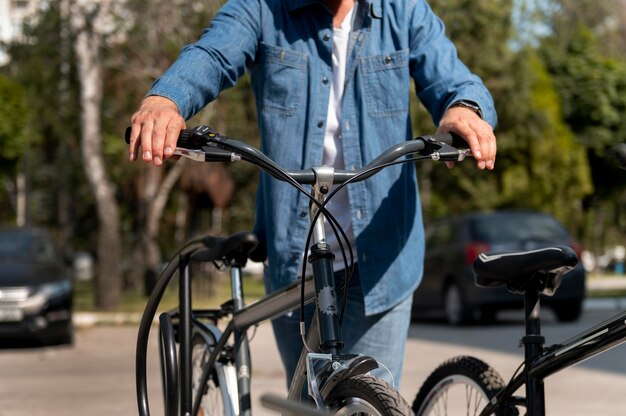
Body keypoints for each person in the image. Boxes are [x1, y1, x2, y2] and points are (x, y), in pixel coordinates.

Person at [128, 0, 497, 389]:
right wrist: (165, 101)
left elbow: (452, 78)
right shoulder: (263, 9)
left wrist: (464, 109)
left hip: (381, 260)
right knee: (308, 402)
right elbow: (213, 54)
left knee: (369, 405)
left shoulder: (402, 10)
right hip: (295, 261)